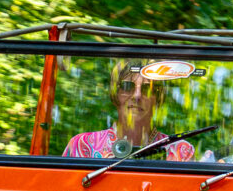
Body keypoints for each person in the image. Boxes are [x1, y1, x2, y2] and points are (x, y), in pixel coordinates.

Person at [62, 60, 196, 162]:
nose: (137, 95)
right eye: (127, 86)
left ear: (158, 99)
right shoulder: (83, 145)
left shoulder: (181, 152)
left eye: (146, 89)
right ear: (115, 94)